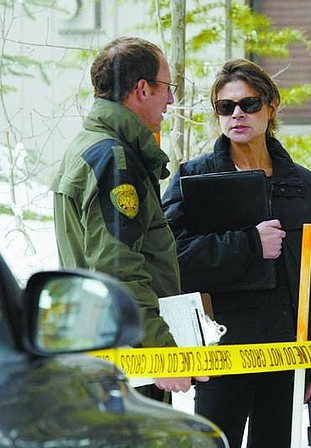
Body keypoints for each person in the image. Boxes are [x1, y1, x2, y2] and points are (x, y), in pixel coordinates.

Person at [162, 58, 311, 448]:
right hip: (221, 354)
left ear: (271, 105)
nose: (237, 114)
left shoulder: (304, 186)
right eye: (225, 107)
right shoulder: (194, 179)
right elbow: (170, 259)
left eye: (249, 104)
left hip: (286, 357)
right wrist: (247, 244)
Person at [51, 36, 206, 403]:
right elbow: (118, 268)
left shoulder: (88, 146)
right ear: (142, 89)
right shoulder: (114, 160)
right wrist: (160, 350)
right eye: (167, 88)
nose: (171, 100)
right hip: (129, 362)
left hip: (107, 350)